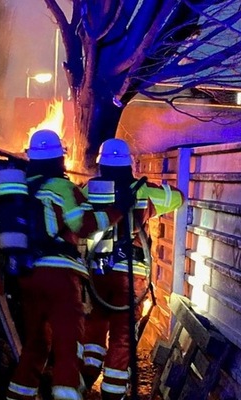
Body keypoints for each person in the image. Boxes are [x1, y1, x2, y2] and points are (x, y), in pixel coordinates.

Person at [6, 130, 126, 400]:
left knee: (35, 345)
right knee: (68, 344)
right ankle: (66, 393)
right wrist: (118, 210)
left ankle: (17, 395)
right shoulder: (61, 187)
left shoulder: (20, 188)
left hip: (26, 274)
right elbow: (83, 226)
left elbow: (2, 227)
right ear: (60, 158)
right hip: (61, 276)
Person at [81, 139, 184, 399]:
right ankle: (113, 394)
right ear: (129, 164)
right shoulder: (143, 191)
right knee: (122, 335)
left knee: (96, 325)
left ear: (102, 164)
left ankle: (84, 379)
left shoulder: (89, 189)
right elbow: (178, 198)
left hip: (99, 272)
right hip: (132, 274)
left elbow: (77, 217)